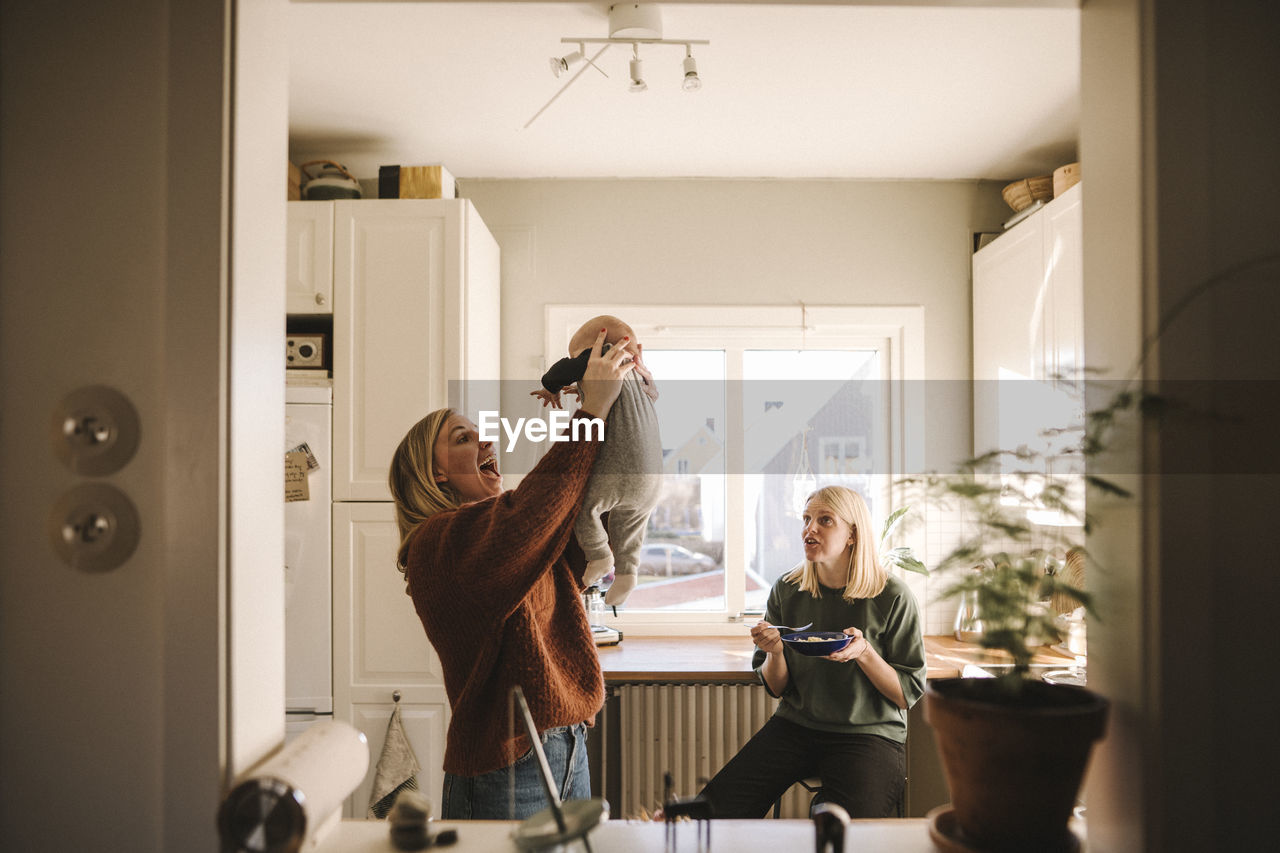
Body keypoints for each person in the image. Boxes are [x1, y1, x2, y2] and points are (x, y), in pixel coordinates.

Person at [387, 328, 634, 820]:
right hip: (507, 762)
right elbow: (534, 511)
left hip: (566, 745)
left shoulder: (496, 539)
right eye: (463, 437)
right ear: (434, 473)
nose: (485, 440)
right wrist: (592, 415)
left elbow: (572, 541)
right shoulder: (437, 544)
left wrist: (620, 407)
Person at [696, 485, 926, 819]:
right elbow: (776, 688)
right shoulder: (788, 590)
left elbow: (906, 694)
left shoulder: (892, 597)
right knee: (711, 814)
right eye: (806, 519)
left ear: (852, 534)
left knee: (843, 833)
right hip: (796, 727)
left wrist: (864, 653)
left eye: (825, 520)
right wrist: (775, 651)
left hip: (868, 735)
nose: (810, 528)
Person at [531, 314, 662, 607]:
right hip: (652, 482)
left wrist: (550, 385)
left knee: (582, 504)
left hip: (620, 471)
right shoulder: (641, 378)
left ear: (600, 345)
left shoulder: (602, 356)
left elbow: (562, 371)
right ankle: (628, 573)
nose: (577, 363)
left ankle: (600, 556)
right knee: (630, 528)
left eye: (576, 355)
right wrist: (583, 389)